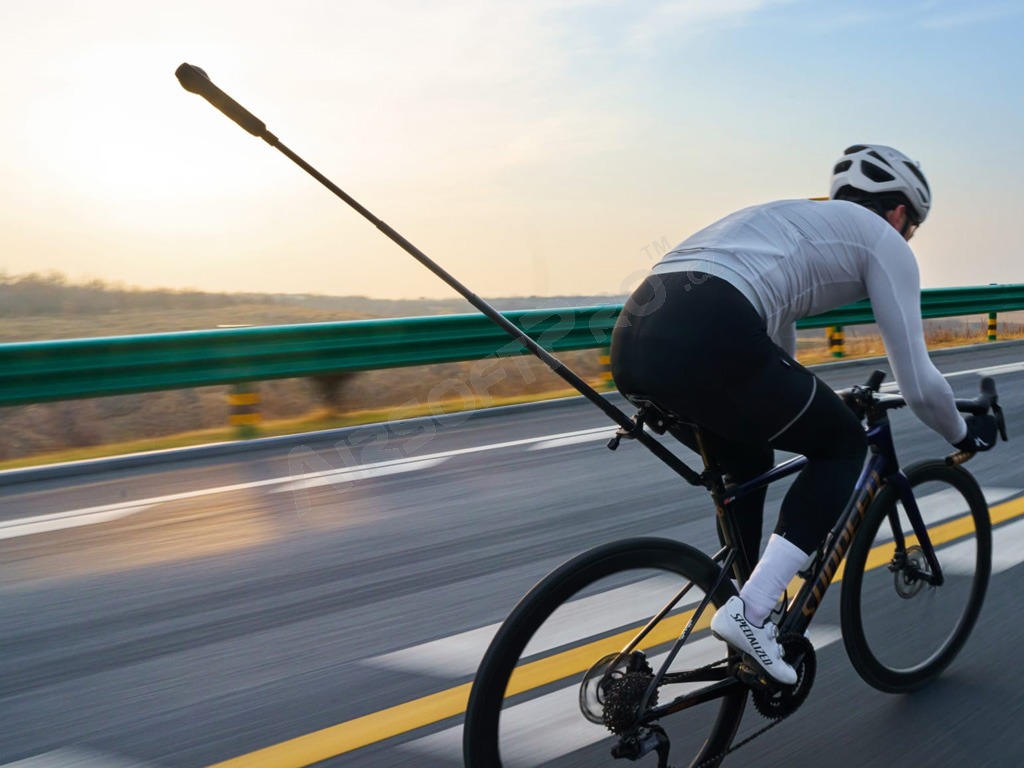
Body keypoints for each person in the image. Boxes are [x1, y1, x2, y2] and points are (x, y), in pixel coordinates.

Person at [609, 144, 999, 685]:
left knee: (748, 461)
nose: (908, 237)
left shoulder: (791, 221)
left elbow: (775, 351)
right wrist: (965, 432)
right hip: (710, 329)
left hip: (633, 338)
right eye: (913, 227)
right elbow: (918, 385)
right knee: (843, 446)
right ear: (899, 213)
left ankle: (743, 608)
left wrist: (811, 398)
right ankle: (752, 613)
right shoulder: (884, 241)